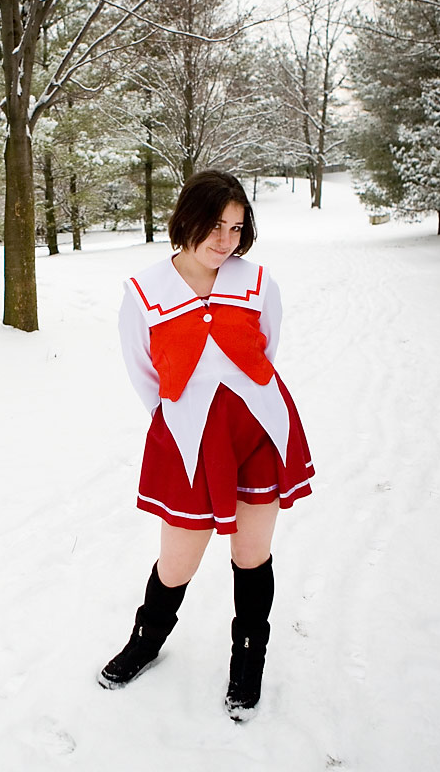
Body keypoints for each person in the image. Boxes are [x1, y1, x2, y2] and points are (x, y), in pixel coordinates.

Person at [99, 169, 314, 720]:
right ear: (187, 219)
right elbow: (144, 374)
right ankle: (146, 641)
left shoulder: (257, 281)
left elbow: (267, 350)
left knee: (251, 555)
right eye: (215, 226)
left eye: (236, 228)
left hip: (258, 431)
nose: (225, 240)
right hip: (188, 440)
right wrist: (183, 418)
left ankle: (249, 658)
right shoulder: (145, 292)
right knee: (177, 562)